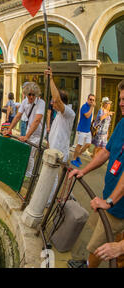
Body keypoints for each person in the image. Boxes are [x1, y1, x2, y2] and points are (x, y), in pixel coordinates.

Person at [67, 80, 124, 268]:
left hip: (116, 207)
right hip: (112, 199)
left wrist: (109, 202)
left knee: (96, 247)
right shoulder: (122, 123)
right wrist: (83, 170)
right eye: (121, 99)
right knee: (109, 241)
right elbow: (106, 152)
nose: (122, 103)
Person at [45, 67, 76, 204]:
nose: (52, 103)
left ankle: (49, 202)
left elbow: (57, 99)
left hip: (59, 154)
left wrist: (51, 79)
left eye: (53, 101)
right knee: (51, 178)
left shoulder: (68, 113)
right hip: (53, 150)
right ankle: (51, 199)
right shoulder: (59, 113)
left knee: (53, 179)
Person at [3, 82, 45, 179]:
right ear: (26, 94)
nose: (31, 97)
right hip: (30, 130)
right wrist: (9, 130)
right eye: (29, 94)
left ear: (37, 94)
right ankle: (27, 171)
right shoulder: (24, 102)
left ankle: (29, 174)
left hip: (38, 133)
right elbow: (18, 116)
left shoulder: (41, 103)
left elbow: (37, 120)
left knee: (30, 153)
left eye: (33, 94)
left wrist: (27, 136)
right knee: (27, 151)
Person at [71, 94, 96, 168]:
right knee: (79, 145)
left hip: (87, 130)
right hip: (82, 129)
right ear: (87, 100)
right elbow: (87, 115)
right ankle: (74, 159)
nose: (91, 101)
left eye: (93, 100)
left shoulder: (90, 107)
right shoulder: (84, 107)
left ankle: (78, 155)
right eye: (90, 99)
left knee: (88, 144)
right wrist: (92, 107)